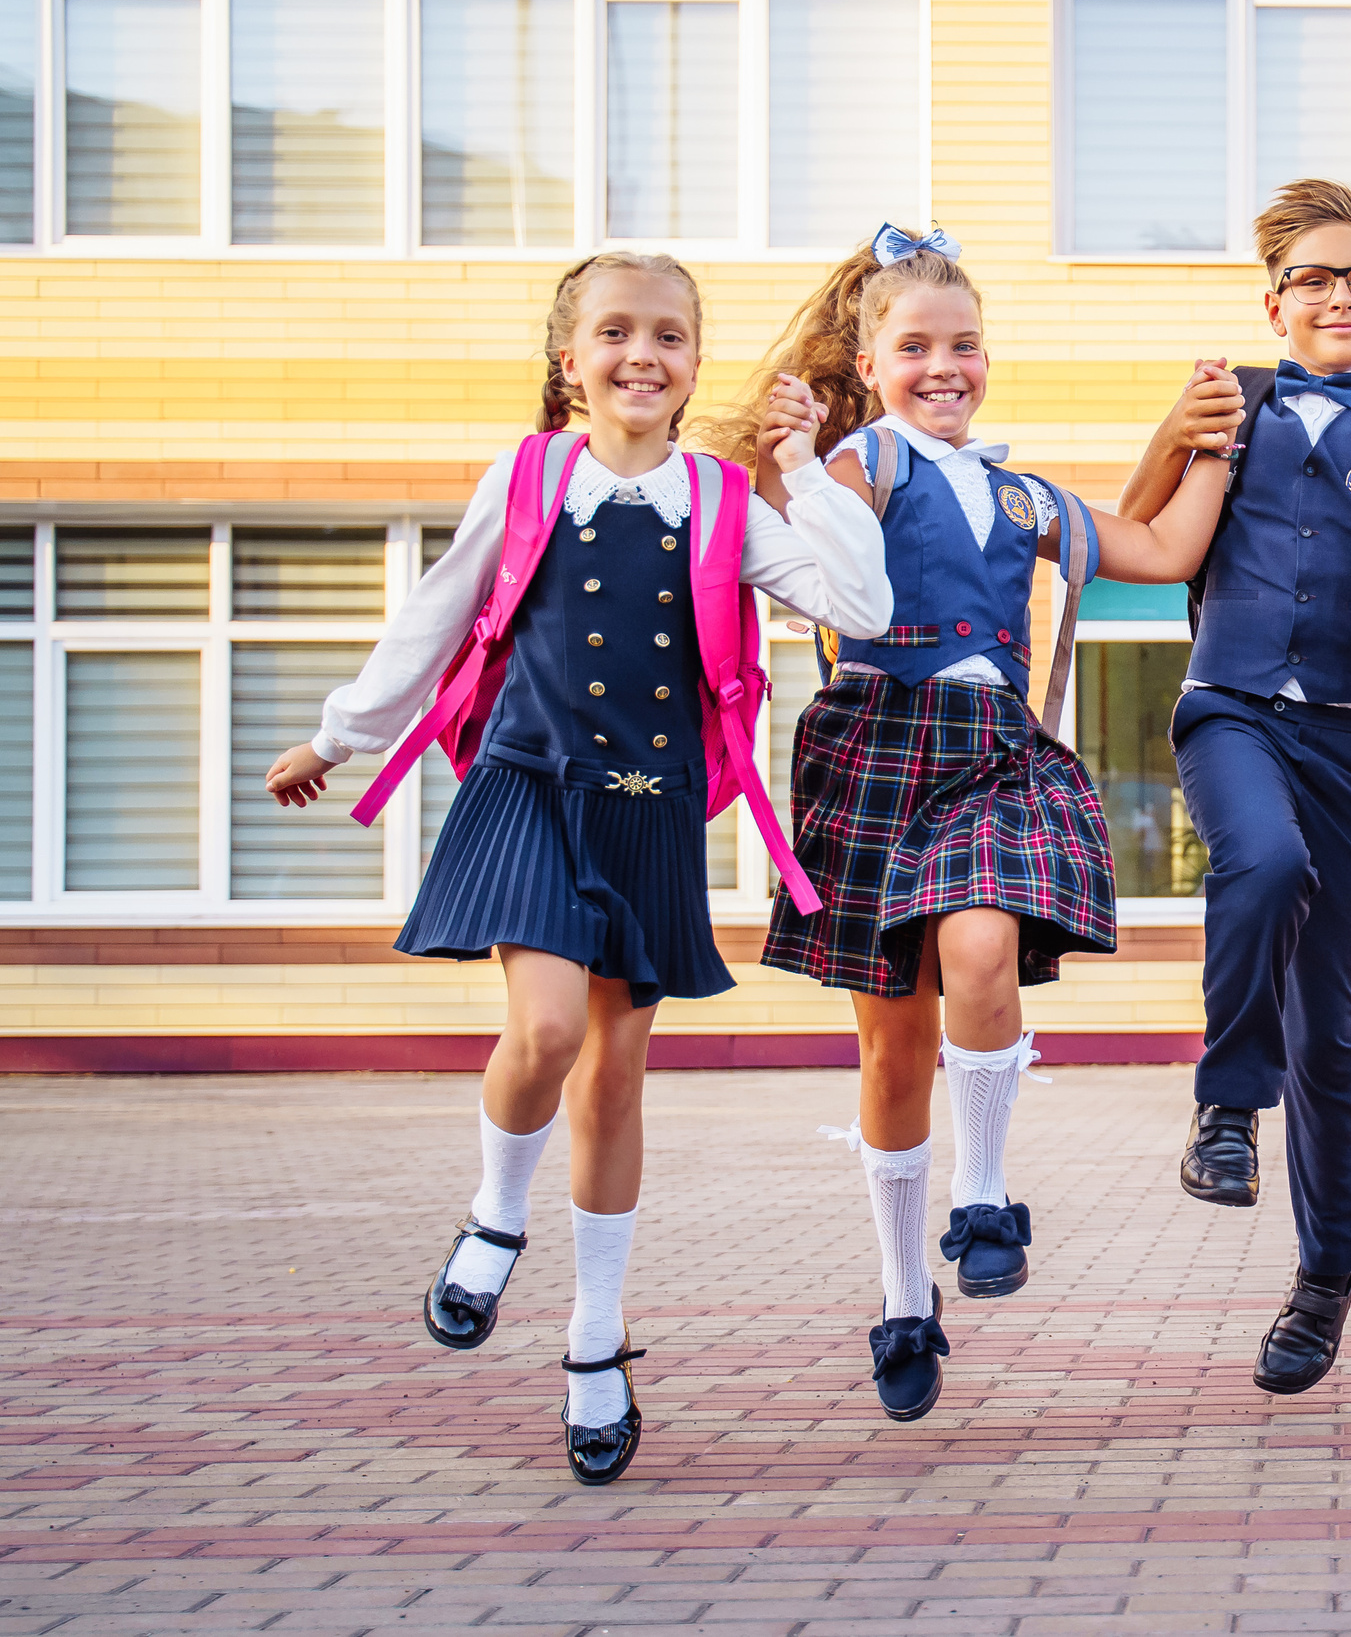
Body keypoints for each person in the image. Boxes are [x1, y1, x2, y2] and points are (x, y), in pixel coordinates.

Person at [263, 252, 891, 1485]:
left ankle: (595, 1343)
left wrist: (806, 469)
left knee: (612, 1079)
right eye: (615, 332)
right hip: (529, 788)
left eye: (668, 334)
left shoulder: (722, 499)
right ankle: (497, 1217)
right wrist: (339, 736)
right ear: (571, 362)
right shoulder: (529, 475)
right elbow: (437, 612)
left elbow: (857, 607)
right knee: (546, 1031)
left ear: (695, 362)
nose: (641, 354)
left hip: (650, 812)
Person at [736, 224, 1232, 1421]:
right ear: (869, 361)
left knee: (982, 947)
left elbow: (1164, 545)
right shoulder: (860, 461)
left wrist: (1216, 438)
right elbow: (782, 527)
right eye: (914, 347)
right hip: (876, 744)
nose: (943, 367)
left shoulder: (1021, 494)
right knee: (892, 1054)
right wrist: (793, 451)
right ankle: (905, 1299)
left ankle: (985, 1195)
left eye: (963, 344)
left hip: (993, 752)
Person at [1112, 180, 1351, 1395]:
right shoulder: (1234, 407)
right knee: (1263, 861)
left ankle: (1323, 1283)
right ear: (1274, 303)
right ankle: (1227, 1107)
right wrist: (1170, 432)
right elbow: (1138, 535)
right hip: (1230, 707)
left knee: (1335, 1032)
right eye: (1314, 280)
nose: (1340, 297)